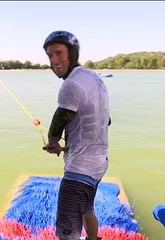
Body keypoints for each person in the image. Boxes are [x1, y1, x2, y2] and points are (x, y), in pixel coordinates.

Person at [42, 30, 110, 240]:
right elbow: (106, 120)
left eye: (59, 53)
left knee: (67, 230)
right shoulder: (93, 77)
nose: (54, 60)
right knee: (87, 209)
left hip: (80, 169)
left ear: (72, 53)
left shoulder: (71, 84)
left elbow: (59, 119)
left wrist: (53, 143)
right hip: (99, 163)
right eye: (50, 55)